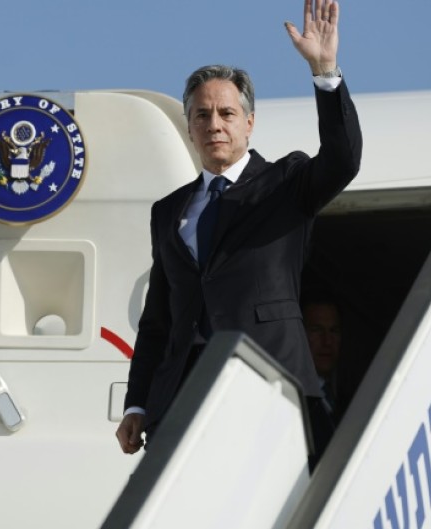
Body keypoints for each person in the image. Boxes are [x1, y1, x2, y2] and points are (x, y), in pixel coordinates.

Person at [115, 0, 362, 462]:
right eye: (202, 116)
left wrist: (325, 72)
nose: (215, 125)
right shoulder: (169, 212)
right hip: (180, 403)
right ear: (189, 129)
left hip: (267, 387)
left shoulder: (286, 184)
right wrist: (138, 402)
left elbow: (344, 160)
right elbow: (157, 323)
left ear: (249, 122)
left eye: (227, 114)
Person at [302, 294, 344, 422]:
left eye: (334, 331)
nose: (327, 341)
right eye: (317, 330)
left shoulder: (350, 400)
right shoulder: (291, 397)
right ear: (300, 333)